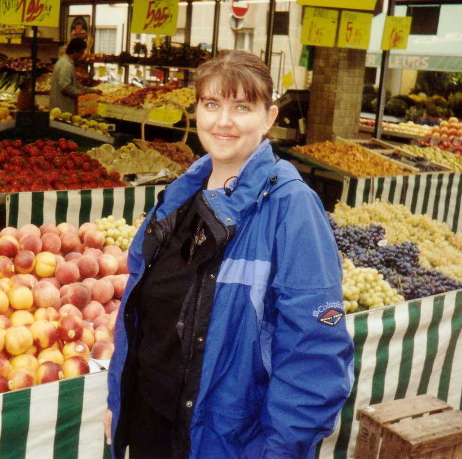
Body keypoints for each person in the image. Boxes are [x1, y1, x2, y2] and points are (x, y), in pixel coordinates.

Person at [104, 51, 354, 459]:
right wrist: (121, 401)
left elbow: (316, 355)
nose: (223, 121)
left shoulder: (292, 208)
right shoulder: (180, 197)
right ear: (197, 110)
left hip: (228, 442)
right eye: (212, 104)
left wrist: (280, 452)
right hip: (154, 425)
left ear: (269, 118)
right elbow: (142, 317)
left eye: (242, 107)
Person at [49, 37, 100, 114]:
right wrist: (80, 93)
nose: (82, 55)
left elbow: (74, 84)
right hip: (62, 109)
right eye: (81, 52)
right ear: (75, 51)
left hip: (61, 108)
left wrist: (92, 91)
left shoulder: (65, 62)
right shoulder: (66, 65)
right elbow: (66, 87)